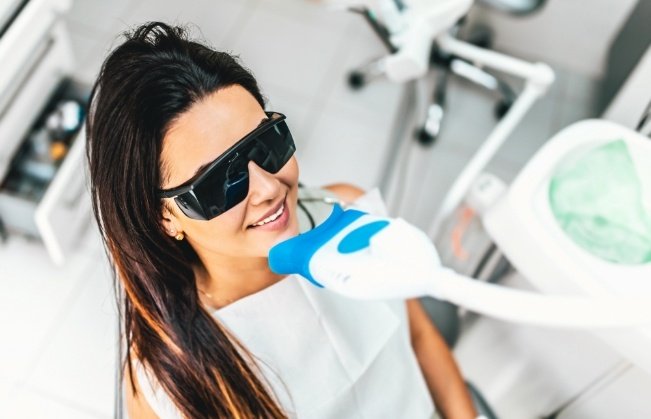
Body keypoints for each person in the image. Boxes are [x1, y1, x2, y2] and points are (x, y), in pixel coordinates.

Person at [85, 21, 478, 418]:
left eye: (265, 142)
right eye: (221, 181)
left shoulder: (346, 209)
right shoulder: (167, 382)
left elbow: (421, 337)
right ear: (165, 217)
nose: (269, 188)